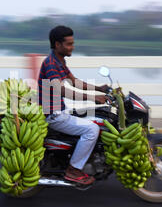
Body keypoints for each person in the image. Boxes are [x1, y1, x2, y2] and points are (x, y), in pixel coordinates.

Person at [37, 25, 111, 185]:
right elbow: (62, 90)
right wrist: (93, 98)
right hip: (53, 114)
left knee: (96, 118)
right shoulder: (50, 63)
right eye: (69, 44)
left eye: (72, 43)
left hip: (59, 110)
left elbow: (75, 82)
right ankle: (73, 170)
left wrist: (99, 88)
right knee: (93, 129)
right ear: (58, 45)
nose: (72, 47)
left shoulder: (58, 60)